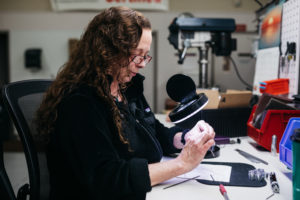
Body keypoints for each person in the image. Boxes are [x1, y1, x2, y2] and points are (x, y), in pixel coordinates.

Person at [36, 6, 215, 200]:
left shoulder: (127, 88)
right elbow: (107, 178)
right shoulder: (80, 103)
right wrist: (182, 164)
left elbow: (153, 131)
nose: (143, 63)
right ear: (109, 51)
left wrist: (186, 138)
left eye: (146, 55)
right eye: (137, 54)